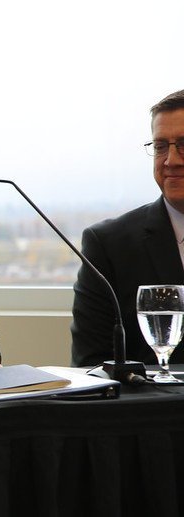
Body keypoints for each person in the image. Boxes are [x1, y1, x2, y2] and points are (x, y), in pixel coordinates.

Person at [72, 89, 184, 366]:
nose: (171, 160)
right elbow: (92, 366)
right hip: (157, 407)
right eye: (160, 147)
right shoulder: (108, 244)